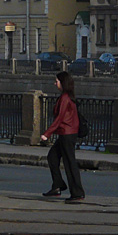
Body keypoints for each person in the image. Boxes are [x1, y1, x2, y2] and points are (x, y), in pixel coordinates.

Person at [40, 71, 86, 203]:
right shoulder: (67, 96)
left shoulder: (65, 98)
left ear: (62, 82)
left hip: (67, 134)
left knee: (69, 163)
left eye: (57, 81)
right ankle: (57, 185)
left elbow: (59, 118)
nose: (55, 84)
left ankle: (77, 193)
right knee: (52, 157)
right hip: (66, 133)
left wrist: (47, 134)